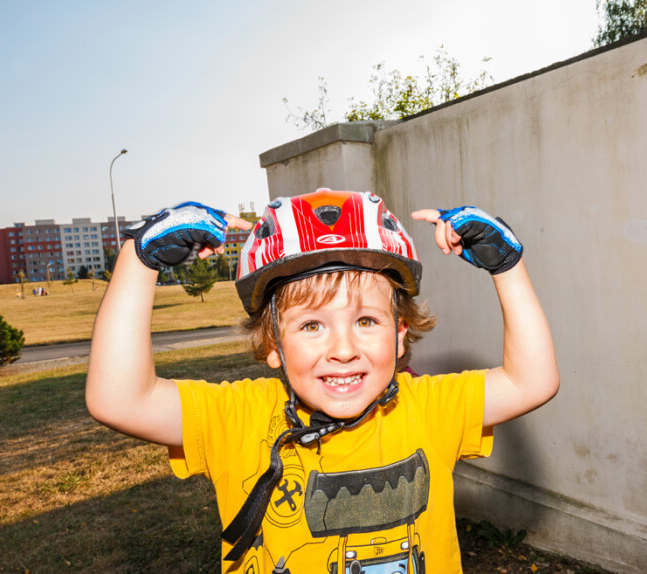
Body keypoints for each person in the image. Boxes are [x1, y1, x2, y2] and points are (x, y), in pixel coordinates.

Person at [86, 189, 559, 574]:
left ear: (400, 336)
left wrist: (507, 267)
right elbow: (119, 399)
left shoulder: (430, 407)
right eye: (311, 325)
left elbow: (531, 381)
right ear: (273, 343)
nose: (343, 348)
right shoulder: (239, 418)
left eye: (367, 321)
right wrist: (138, 258)